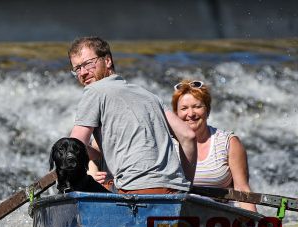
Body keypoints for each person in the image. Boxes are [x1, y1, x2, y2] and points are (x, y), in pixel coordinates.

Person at [68, 36, 197, 194]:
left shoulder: (94, 91)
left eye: (88, 64)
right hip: (175, 191)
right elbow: (188, 136)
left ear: (107, 61)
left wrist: (86, 179)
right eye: (77, 69)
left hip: (135, 190)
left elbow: (73, 146)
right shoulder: (150, 96)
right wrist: (186, 186)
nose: (83, 73)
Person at [172, 80, 257, 211]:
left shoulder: (229, 142)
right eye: (184, 108)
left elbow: (242, 190)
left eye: (197, 106)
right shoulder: (167, 144)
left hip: (220, 219)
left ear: (208, 110)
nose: (191, 114)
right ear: (176, 114)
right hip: (181, 216)